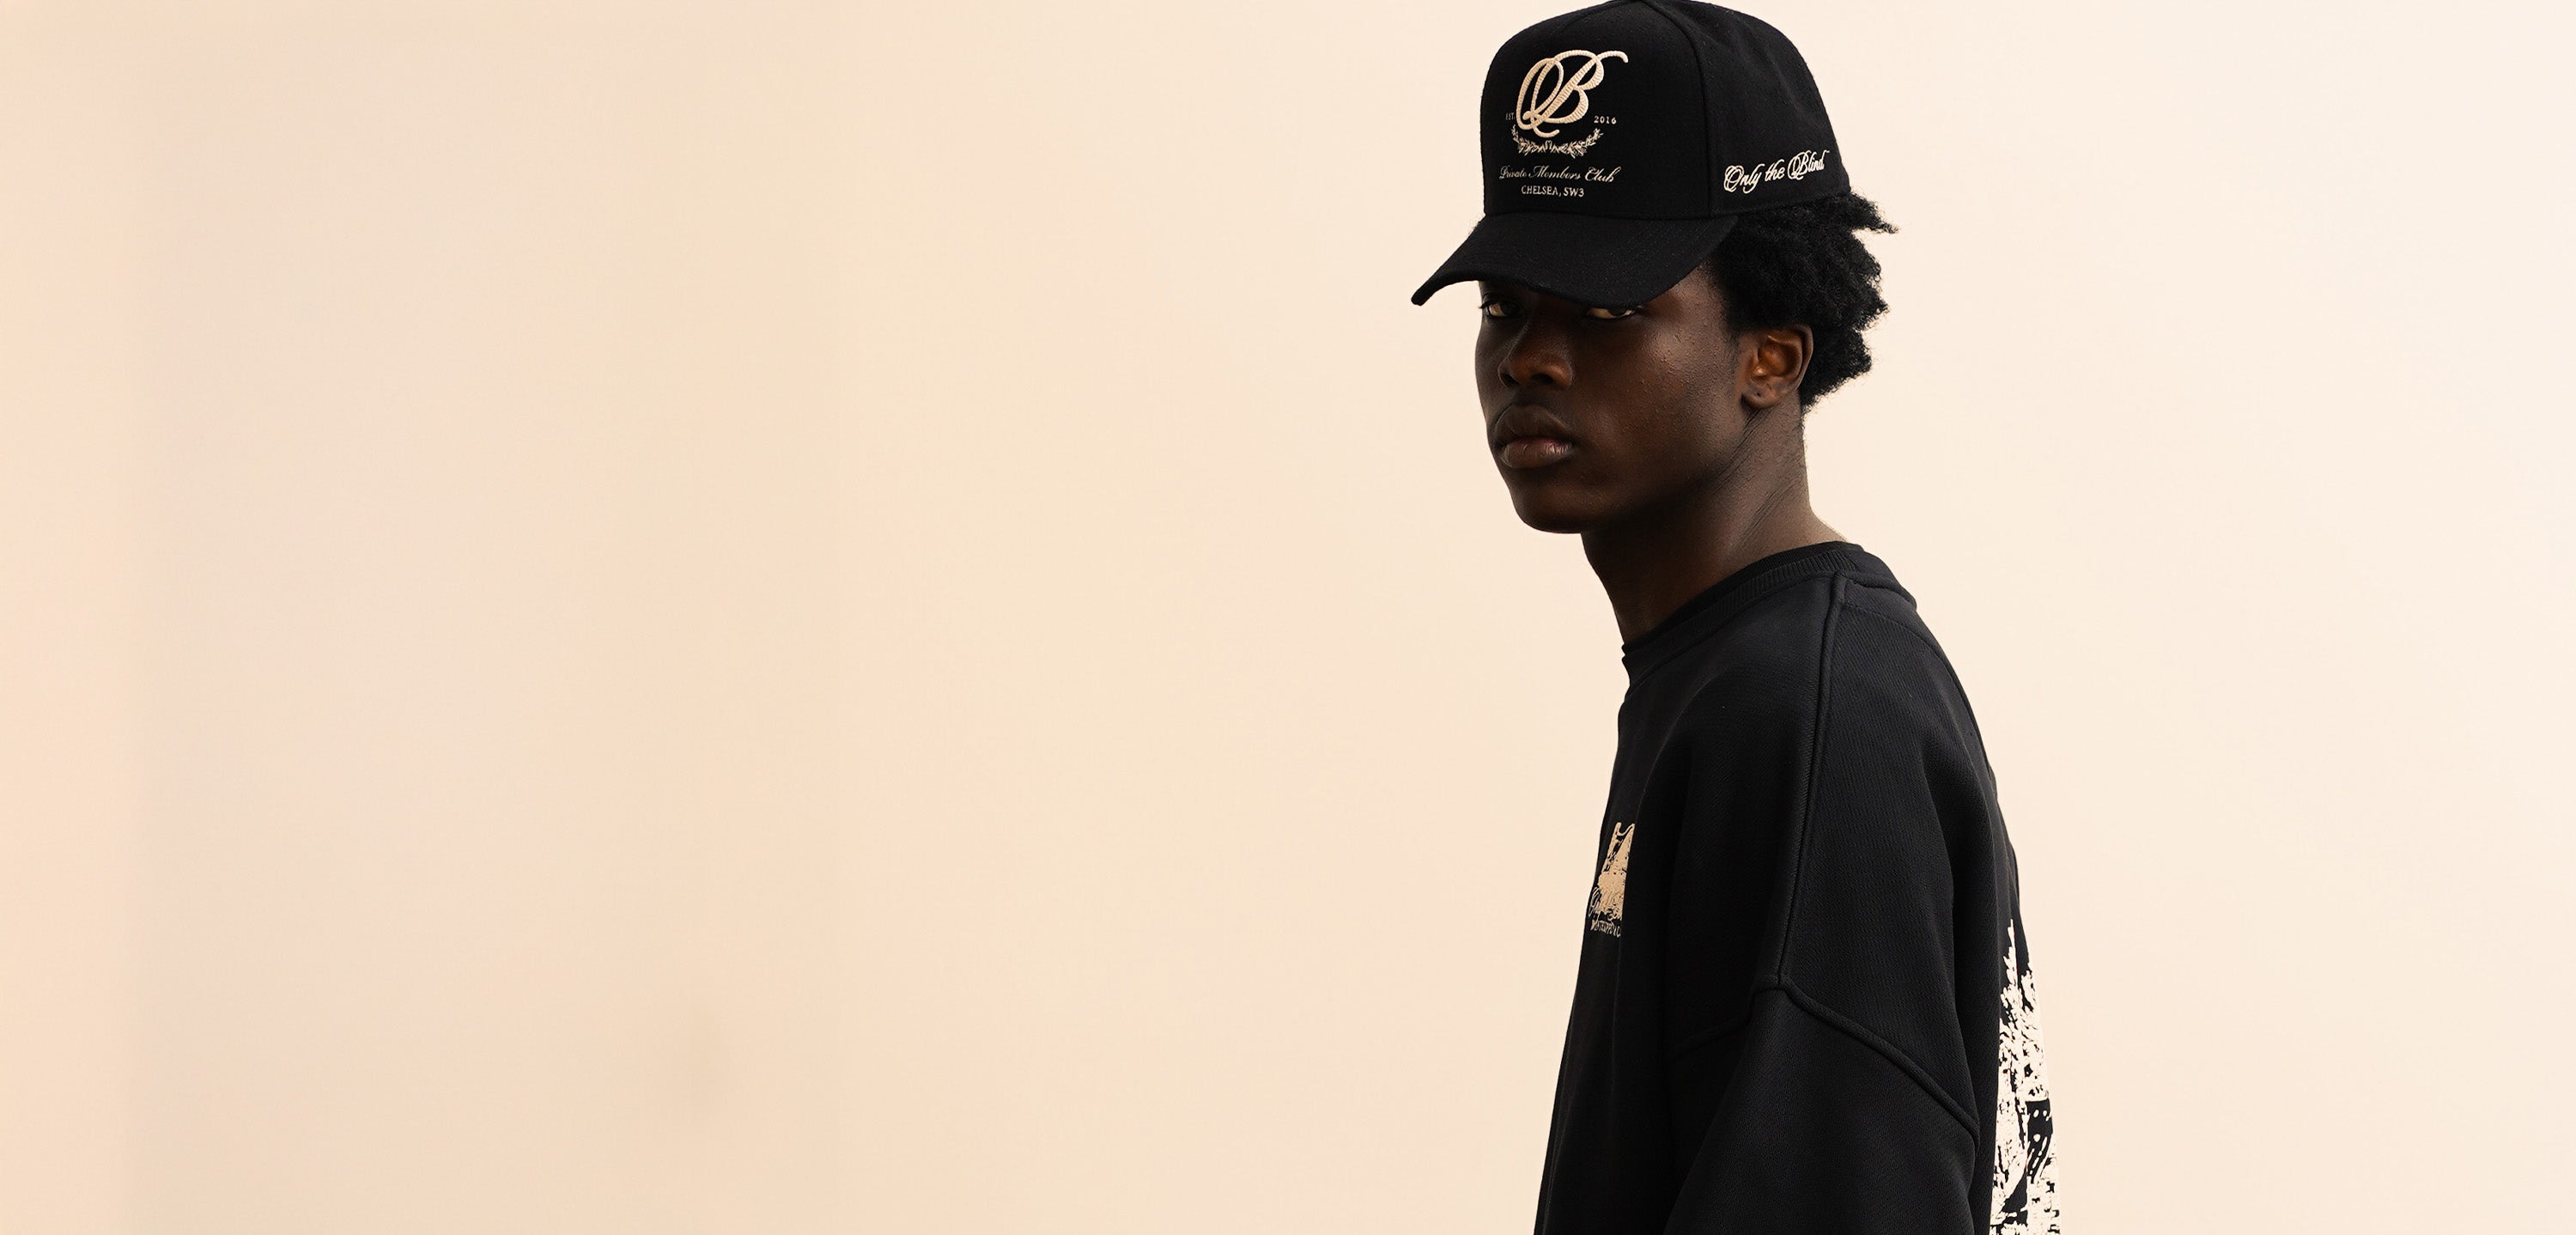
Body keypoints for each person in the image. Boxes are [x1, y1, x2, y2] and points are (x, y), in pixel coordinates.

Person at [1408, 3, 2061, 1232]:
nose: (1530, 358)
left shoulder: (1808, 720)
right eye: (1504, 303)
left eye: (1606, 310)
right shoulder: (1736, 673)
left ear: (1773, 354)